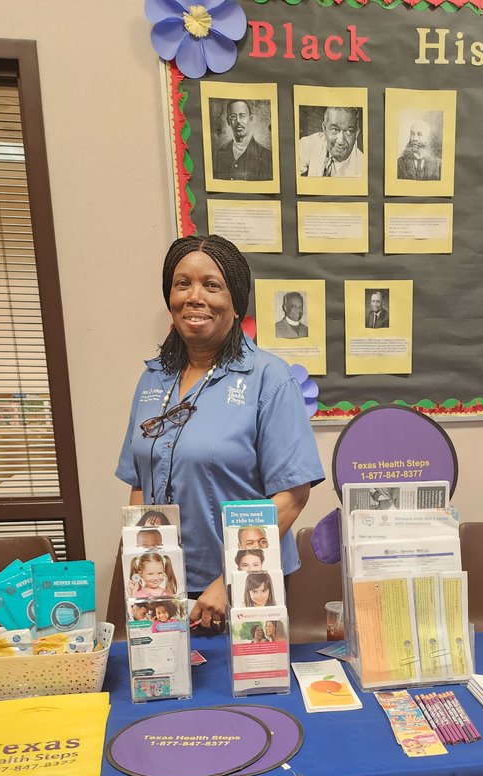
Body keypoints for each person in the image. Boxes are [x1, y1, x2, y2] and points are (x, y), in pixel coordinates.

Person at [116, 234, 324, 634]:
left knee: (242, 695)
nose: (195, 297)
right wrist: (145, 571)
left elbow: (293, 495)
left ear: (235, 300)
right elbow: (139, 484)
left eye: (212, 285)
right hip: (163, 585)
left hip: (248, 583)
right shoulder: (153, 378)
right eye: (182, 284)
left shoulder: (269, 378)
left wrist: (229, 580)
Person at [212, 99, 272, 182]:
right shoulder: (217, 154)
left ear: (250, 119)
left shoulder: (268, 157)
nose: (238, 121)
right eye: (233, 116)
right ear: (228, 121)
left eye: (242, 116)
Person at [299, 106, 364, 178]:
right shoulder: (309, 144)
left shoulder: (363, 167)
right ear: (324, 129)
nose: (341, 141)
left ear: (357, 133)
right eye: (334, 130)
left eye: (349, 131)